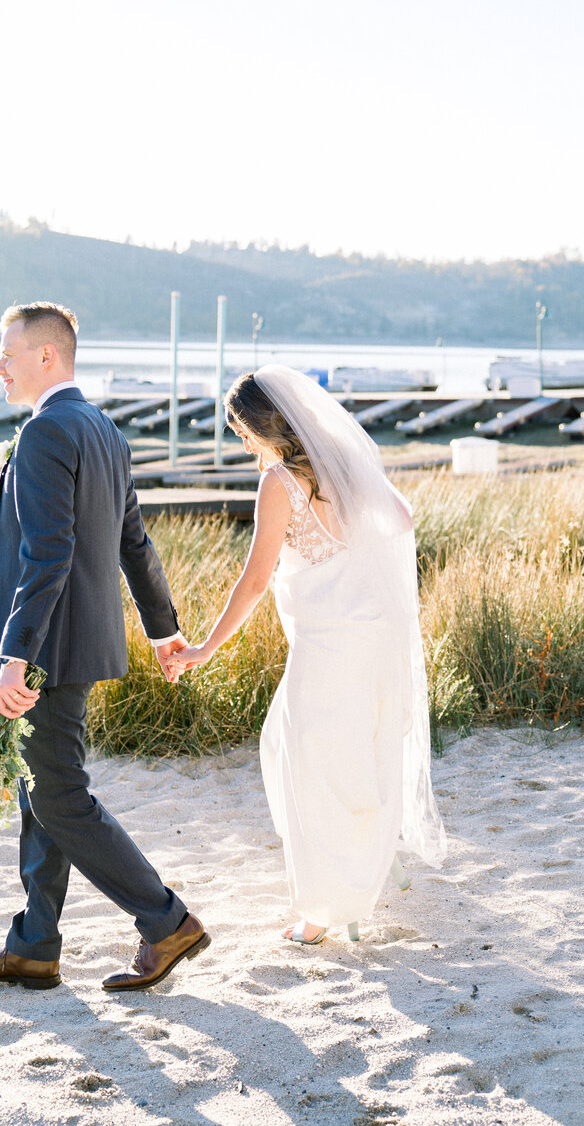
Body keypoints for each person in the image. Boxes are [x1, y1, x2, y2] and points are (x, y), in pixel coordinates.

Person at [0, 301, 210, 992]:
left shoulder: (43, 434)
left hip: (47, 652)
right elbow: (134, 543)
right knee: (43, 790)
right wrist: (162, 628)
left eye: (7, 354)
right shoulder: (104, 430)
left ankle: (166, 921)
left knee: (60, 795)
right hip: (79, 643)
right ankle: (34, 945)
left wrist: (15, 653)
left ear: (47, 357)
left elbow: (49, 552)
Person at [170, 365, 446, 943]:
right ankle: (357, 879)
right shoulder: (343, 473)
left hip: (324, 649)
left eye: (241, 430)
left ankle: (321, 913)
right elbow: (401, 519)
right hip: (368, 640)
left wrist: (203, 649)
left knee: (308, 766)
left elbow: (252, 582)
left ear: (265, 425)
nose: (240, 441)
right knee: (352, 762)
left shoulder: (280, 483)